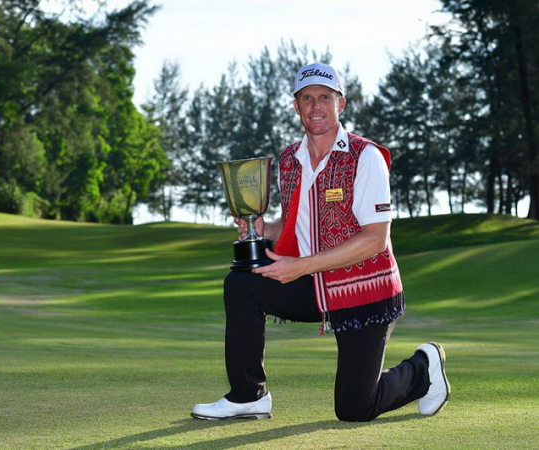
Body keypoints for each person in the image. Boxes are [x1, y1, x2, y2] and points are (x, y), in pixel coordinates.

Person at [191, 62, 450, 422]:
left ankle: (423, 367)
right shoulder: (289, 159)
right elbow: (293, 223)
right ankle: (248, 395)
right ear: (296, 106)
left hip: (365, 291)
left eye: (325, 97)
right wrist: (264, 228)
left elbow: (375, 240)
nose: (316, 106)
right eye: (307, 98)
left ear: (340, 103)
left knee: (355, 408)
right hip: (316, 285)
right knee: (241, 284)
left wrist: (300, 266)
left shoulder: (366, 156)